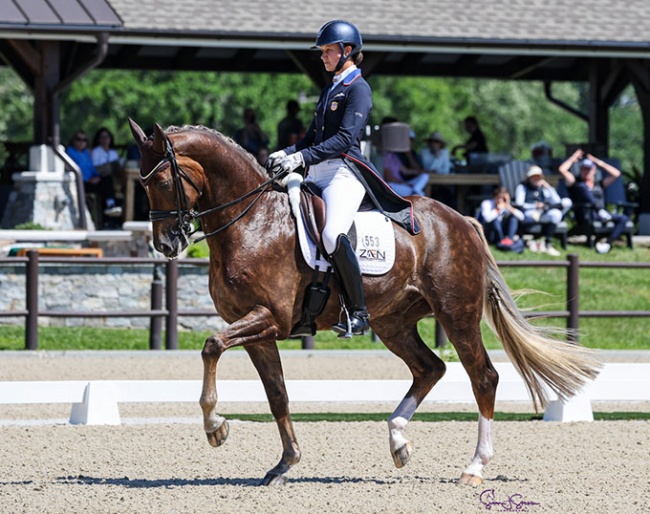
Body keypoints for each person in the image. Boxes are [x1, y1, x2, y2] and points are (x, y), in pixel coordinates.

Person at [266, 20, 419, 337]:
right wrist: (287, 151)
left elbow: (345, 139)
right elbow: (312, 137)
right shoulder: (330, 89)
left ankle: (359, 313)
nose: (322, 56)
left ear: (347, 51)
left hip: (342, 174)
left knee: (334, 234)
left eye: (327, 50)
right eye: (322, 51)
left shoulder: (359, 89)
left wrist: (300, 158)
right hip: (316, 172)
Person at [558, 149, 630, 254]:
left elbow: (616, 173)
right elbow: (562, 170)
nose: (586, 172)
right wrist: (573, 159)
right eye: (584, 169)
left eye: (589, 169)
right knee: (582, 187)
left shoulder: (599, 184)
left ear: (594, 170)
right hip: (586, 215)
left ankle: (608, 244)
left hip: (603, 216)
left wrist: (598, 162)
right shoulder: (576, 183)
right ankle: (600, 211)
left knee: (623, 218)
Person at [66, 130, 122, 221]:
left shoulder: (86, 153)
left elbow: (92, 169)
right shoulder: (70, 152)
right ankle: (109, 212)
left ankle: (111, 206)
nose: (81, 142)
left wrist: (97, 177)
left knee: (107, 180)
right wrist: (88, 179)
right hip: (81, 183)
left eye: (84, 140)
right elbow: (74, 170)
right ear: (73, 141)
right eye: (79, 139)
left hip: (91, 181)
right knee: (105, 188)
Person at [514, 165, 566, 256]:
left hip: (542, 214)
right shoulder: (522, 187)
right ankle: (530, 242)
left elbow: (557, 201)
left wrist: (549, 187)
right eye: (533, 177)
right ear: (529, 178)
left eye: (538, 177)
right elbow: (519, 204)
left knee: (556, 214)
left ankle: (548, 243)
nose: (536, 179)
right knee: (532, 215)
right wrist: (534, 206)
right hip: (528, 214)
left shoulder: (543, 188)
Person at [383, 130, 429, 197]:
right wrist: (404, 184)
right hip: (396, 184)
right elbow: (388, 177)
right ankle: (417, 193)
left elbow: (405, 171)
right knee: (392, 186)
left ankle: (416, 191)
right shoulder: (386, 155)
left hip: (405, 184)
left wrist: (419, 171)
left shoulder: (395, 156)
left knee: (425, 176)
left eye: (410, 140)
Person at [420, 130, 454, 206]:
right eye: (433, 142)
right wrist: (437, 157)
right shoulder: (424, 152)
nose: (434, 144)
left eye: (437, 142)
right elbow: (428, 168)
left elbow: (446, 170)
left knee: (450, 193)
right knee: (436, 193)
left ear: (440, 144)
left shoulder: (444, 152)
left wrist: (438, 155)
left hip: (444, 182)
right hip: (430, 182)